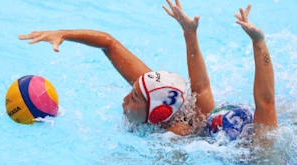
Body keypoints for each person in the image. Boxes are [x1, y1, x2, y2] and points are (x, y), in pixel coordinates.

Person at [19, 1, 277, 139]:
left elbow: (265, 103)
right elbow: (109, 43)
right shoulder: (159, 95)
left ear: (158, 114)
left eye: (133, 98)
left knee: (268, 133)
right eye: (132, 92)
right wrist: (63, 33)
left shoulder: (176, 138)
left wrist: (258, 42)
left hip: (260, 161)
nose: (125, 98)